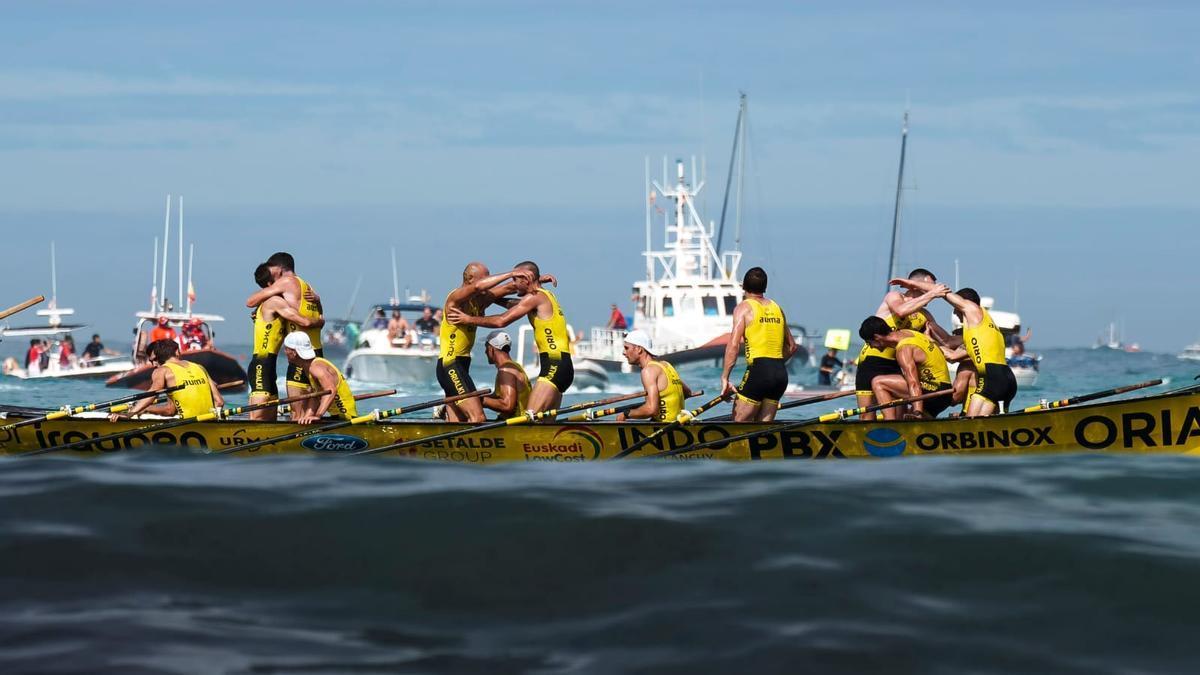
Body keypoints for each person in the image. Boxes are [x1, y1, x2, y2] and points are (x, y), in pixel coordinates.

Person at [447, 261, 573, 414]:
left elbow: (501, 321)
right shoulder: (544, 296)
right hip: (562, 365)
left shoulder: (535, 297)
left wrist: (468, 319)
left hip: (554, 366)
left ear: (526, 279)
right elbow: (515, 305)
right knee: (544, 424)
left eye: (515, 279)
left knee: (529, 419)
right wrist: (490, 298)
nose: (513, 284)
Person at [436, 263, 531, 422]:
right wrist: (512, 273)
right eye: (486, 278)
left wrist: (535, 280)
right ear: (470, 279)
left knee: (457, 422)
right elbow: (478, 287)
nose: (490, 282)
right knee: (478, 417)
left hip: (462, 365)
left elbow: (509, 288)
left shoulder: (479, 301)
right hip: (450, 365)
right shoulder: (455, 299)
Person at [854, 269, 951, 419]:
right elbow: (900, 311)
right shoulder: (894, 297)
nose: (931, 289)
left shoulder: (925, 315)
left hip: (898, 362)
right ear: (915, 285)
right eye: (929, 286)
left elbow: (946, 341)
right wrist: (932, 293)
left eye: (932, 287)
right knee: (867, 417)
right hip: (872, 361)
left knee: (899, 416)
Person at [245, 252, 325, 418]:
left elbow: (250, 301)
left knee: (297, 413)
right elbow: (317, 317)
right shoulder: (307, 287)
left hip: (298, 356)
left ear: (279, 269)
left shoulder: (286, 283)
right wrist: (320, 316)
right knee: (306, 409)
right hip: (313, 354)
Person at [720, 267, 798, 422]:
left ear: (743, 286)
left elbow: (733, 346)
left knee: (738, 426)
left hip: (759, 372)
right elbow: (792, 347)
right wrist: (773, 367)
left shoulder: (743, 308)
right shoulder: (777, 308)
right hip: (780, 374)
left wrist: (725, 378)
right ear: (765, 287)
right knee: (763, 429)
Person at [934, 287, 1018, 416]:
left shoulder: (967, 364)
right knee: (994, 421)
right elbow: (950, 350)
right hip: (1007, 378)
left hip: (992, 380)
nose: (955, 313)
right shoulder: (988, 332)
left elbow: (955, 397)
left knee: (975, 423)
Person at [858, 316, 953, 420]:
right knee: (892, 387)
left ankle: (889, 422)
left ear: (877, 337)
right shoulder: (910, 333)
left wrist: (917, 412)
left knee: (878, 382)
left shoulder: (904, 349)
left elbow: (913, 383)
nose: (871, 347)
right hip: (945, 391)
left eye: (869, 343)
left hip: (936, 393)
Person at [110, 339, 223, 421]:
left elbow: (152, 394)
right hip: (211, 421)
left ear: (158, 356)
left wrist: (130, 413)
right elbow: (219, 402)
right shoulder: (199, 367)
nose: (154, 364)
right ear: (177, 352)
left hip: (188, 423)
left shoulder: (162, 371)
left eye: (153, 360)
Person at [618, 329, 694, 422]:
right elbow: (687, 393)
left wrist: (626, 414)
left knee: (621, 417)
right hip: (678, 422)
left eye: (626, 348)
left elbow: (652, 410)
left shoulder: (648, 371)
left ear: (639, 349)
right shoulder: (666, 365)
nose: (623, 352)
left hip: (663, 425)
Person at [281, 332, 357, 424]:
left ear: (294, 352)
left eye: (286, 349)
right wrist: (307, 416)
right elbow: (316, 397)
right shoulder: (309, 367)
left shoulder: (316, 367)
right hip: (336, 416)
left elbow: (331, 390)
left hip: (346, 417)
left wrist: (317, 416)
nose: (285, 352)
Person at [480, 330, 531, 420]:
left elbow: (507, 405)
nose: (485, 352)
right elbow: (498, 396)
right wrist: (473, 400)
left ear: (491, 349)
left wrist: (481, 401)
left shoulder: (506, 370)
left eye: (486, 347)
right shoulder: (515, 366)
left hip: (516, 424)